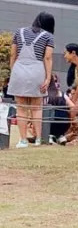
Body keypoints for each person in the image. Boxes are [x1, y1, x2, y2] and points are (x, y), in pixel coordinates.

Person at [7, 12, 55, 147]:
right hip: (37, 71)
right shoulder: (48, 36)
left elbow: (12, 54)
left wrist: (14, 71)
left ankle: (23, 140)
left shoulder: (19, 32)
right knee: (36, 107)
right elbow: (47, 58)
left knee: (21, 108)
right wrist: (48, 77)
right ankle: (38, 138)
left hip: (19, 69)